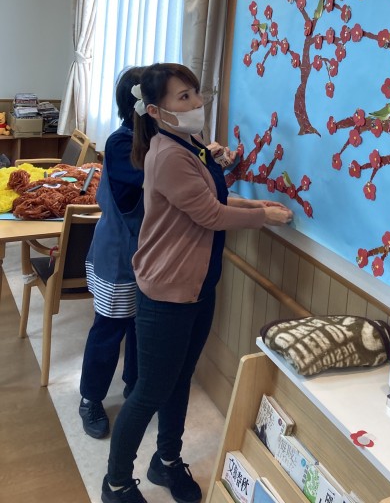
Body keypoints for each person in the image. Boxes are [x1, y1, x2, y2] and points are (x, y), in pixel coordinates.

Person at [101, 62, 293, 503]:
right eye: (183, 97)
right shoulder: (168, 154)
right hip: (166, 293)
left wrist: (254, 204)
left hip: (197, 287)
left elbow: (211, 197)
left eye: (195, 93)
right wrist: (263, 216)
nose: (196, 103)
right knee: (149, 390)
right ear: (155, 110)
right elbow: (209, 214)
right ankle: (116, 483)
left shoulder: (189, 145)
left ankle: (166, 461)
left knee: (179, 378)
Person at [79, 66, 145, 439]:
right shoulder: (121, 144)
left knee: (140, 329)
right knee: (109, 330)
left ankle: (134, 390)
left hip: (147, 256)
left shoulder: (156, 142)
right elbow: (156, 179)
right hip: (118, 256)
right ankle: (90, 398)